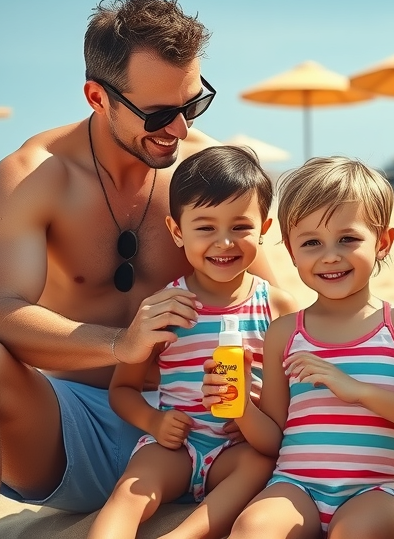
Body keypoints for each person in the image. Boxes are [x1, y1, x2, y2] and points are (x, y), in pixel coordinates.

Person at [0, 0, 279, 538]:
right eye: (158, 114)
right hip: (75, 433)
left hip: (210, 430)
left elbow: (275, 308)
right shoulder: (34, 176)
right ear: (97, 96)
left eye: (193, 104)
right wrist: (119, 345)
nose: (179, 130)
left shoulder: (204, 170)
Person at [209, 156, 394, 538]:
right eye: (311, 243)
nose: (330, 255)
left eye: (348, 238)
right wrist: (242, 404)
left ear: (383, 242)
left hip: (375, 491)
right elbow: (275, 438)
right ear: (292, 253)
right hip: (294, 485)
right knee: (252, 528)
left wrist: (358, 391)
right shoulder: (284, 333)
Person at [88, 146, 298, 539]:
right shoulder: (167, 307)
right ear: (177, 231)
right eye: (205, 228)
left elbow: (291, 406)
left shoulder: (276, 307)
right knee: (130, 492)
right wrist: (154, 421)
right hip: (176, 446)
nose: (224, 243)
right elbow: (123, 390)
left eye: (240, 227)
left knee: (259, 465)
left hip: (242, 448)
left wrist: (247, 416)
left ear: (264, 229)